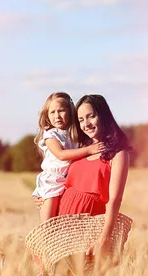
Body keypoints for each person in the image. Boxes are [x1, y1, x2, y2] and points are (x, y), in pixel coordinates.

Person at [34, 94, 132, 269]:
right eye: (80, 119)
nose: (86, 124)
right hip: (61, 229)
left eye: (91, 116)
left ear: (103, 115)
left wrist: (104, 237)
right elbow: (60, 177)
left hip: (88, 232)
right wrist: (43, 196)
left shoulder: (118, 154)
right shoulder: (79, 147)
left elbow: (114, 200)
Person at [32, 92, 105, 225]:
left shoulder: (75, 133)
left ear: (70, 112)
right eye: (52, 112)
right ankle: (44, 244)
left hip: (68, 183)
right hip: (53, 182)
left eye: (61, 111)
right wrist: (89, 150)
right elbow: (61, 154)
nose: (57, 116)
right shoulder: (51, 135)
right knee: (48, 225)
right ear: (47, 116)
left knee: (62, 223)